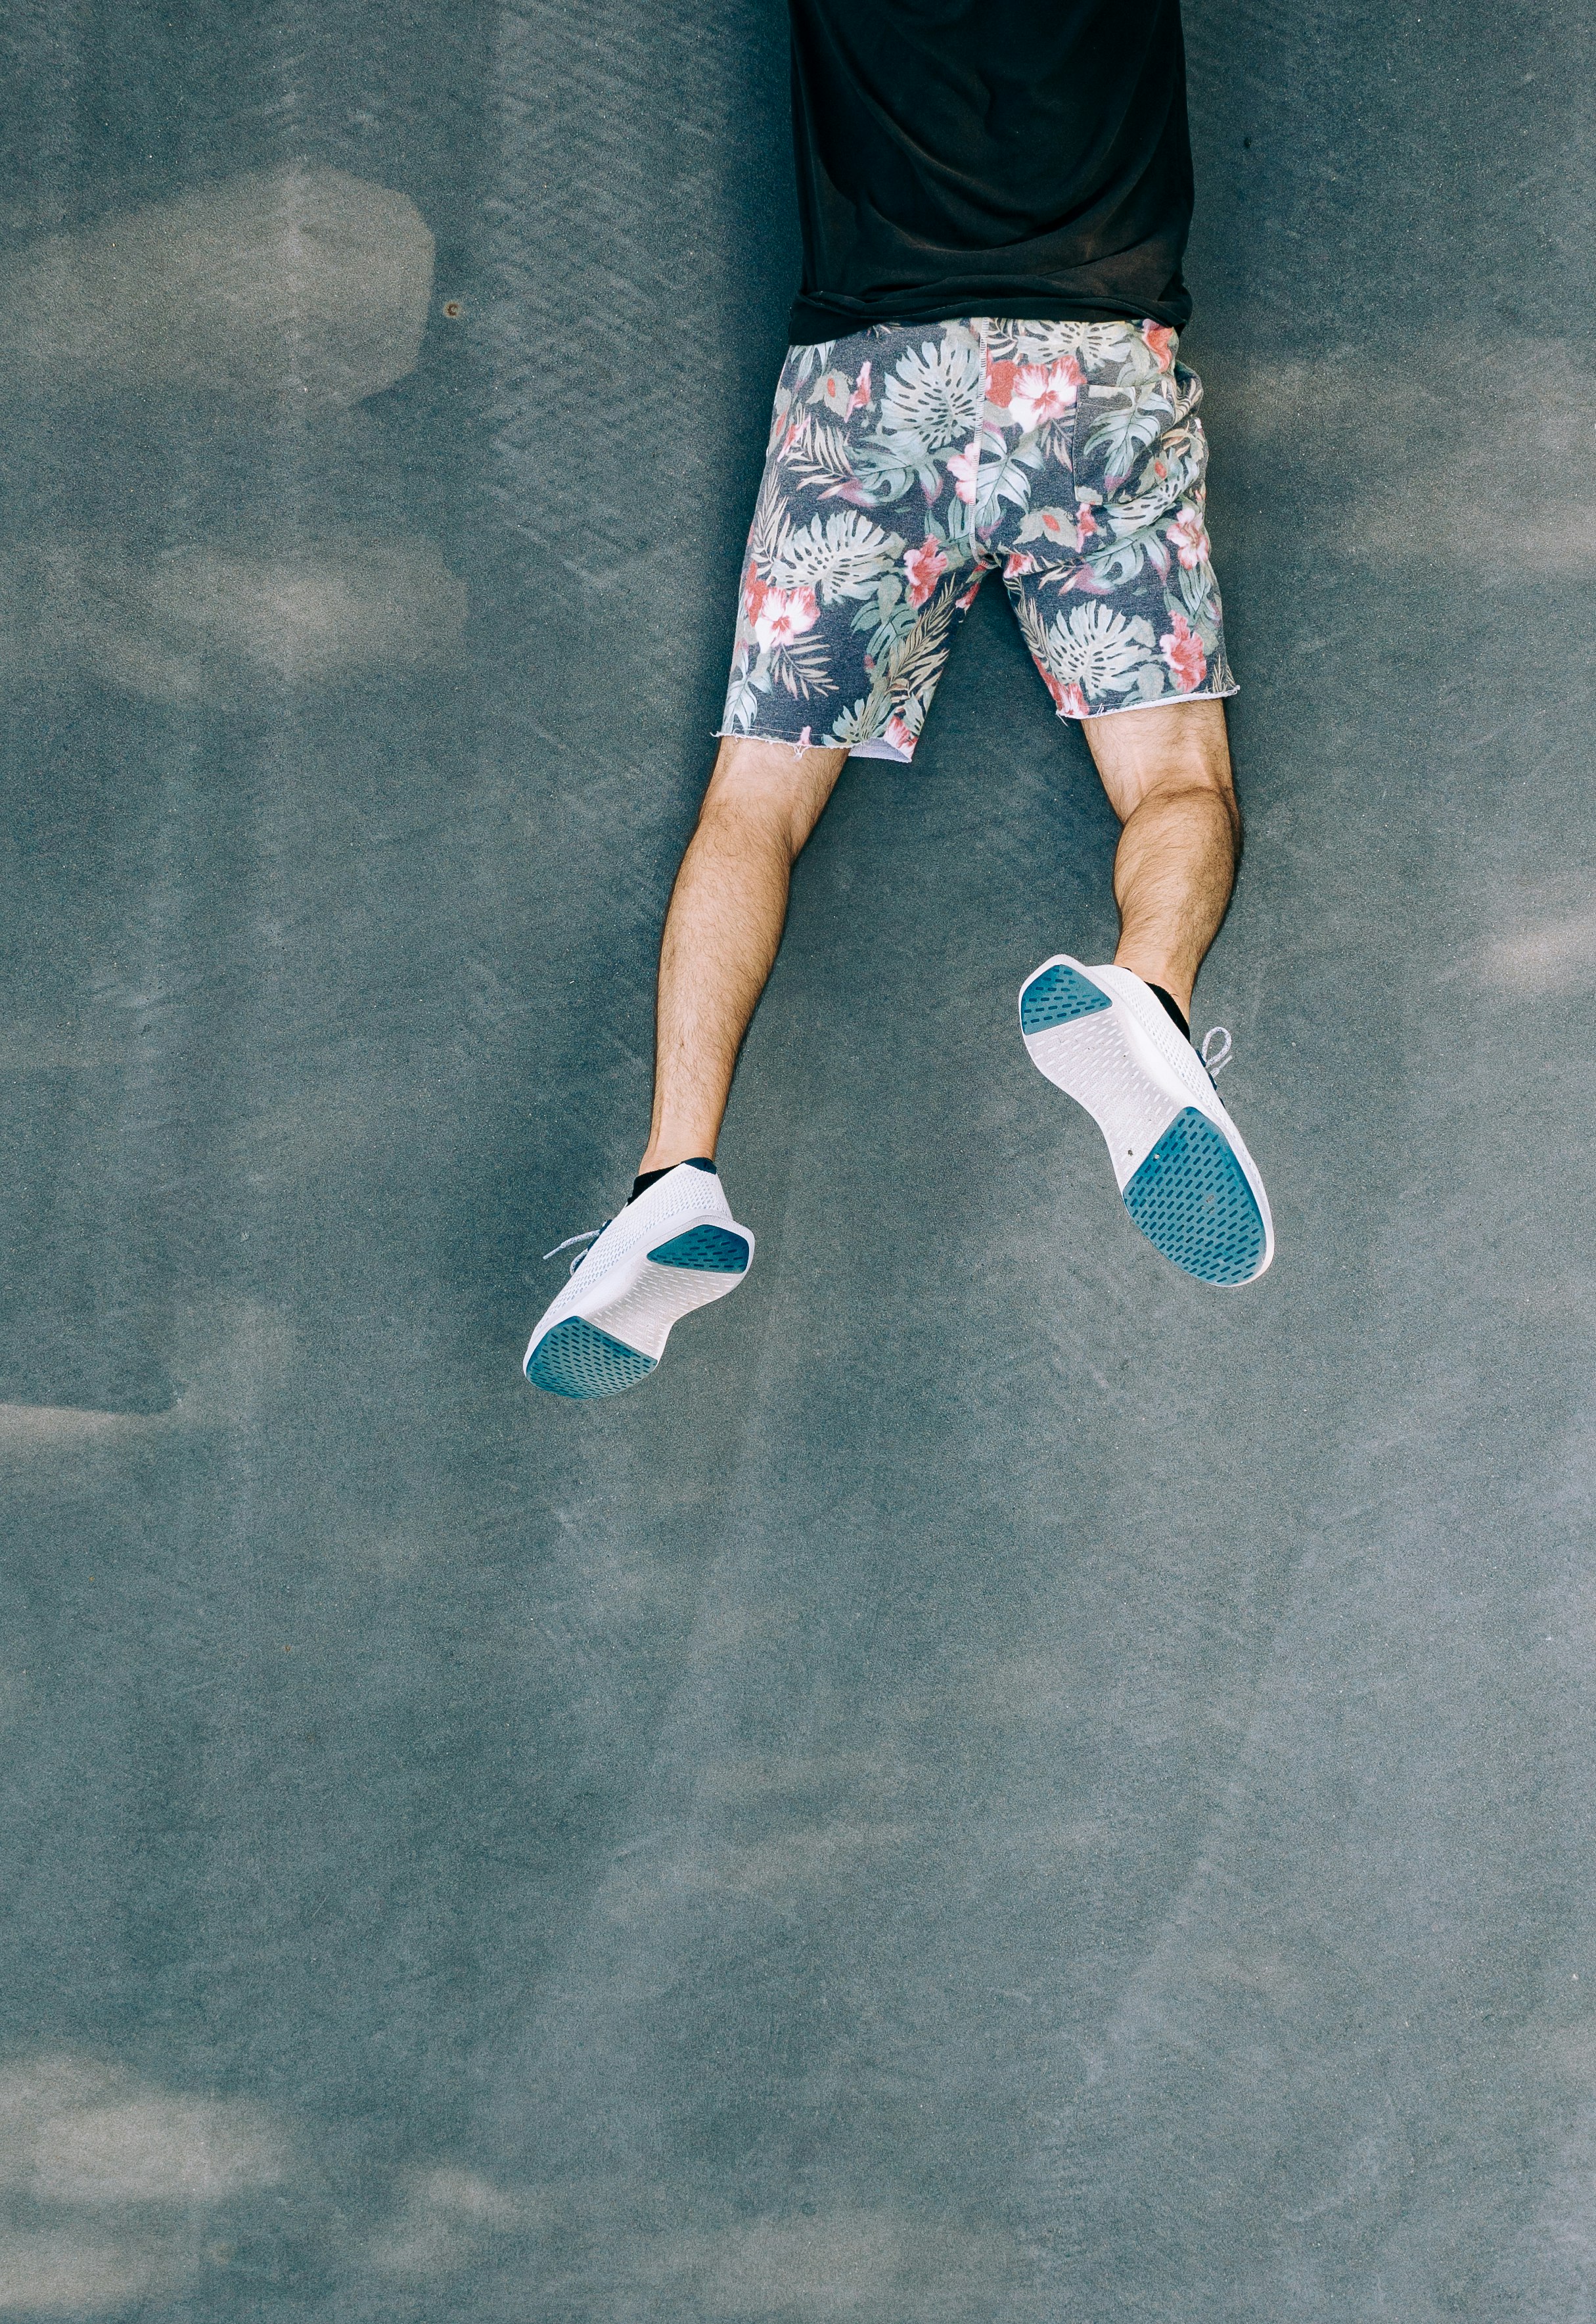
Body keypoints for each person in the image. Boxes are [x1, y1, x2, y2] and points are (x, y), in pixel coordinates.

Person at [524, 0, 1273, 1401]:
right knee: (1176, 779)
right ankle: (1148, 1005)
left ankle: (672, 1174)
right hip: (1093, 372)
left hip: (868, 385)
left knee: (755, 804)